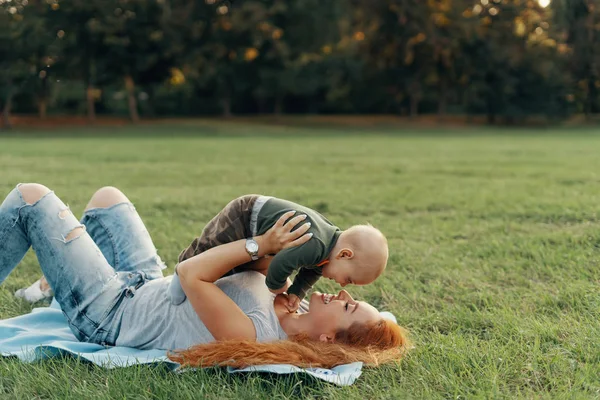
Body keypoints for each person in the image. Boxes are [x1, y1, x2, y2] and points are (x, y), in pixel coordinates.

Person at [0, 184, 407, 368]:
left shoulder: (255, 333)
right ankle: (59, 281)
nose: (340, 294)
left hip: (110, 314)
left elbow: (192, 273)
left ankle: (71, 289)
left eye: (349, 306)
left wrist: (262, 245)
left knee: (30, 198)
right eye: (350, 295)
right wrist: (278, 253)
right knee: (109, 198)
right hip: (147, 286)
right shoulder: (290, 300)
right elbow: (262, 270)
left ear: (327, 338)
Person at [173, 195, 389, 312]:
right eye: (349, 279)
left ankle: (212, 277)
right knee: (212, 246)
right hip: (246, 215)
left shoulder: (326, 253)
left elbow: (310, 273)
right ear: (344, 254)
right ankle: (183, 267)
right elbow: (280, 266)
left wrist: (296, 292)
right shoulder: (314, 245)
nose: (342, 285)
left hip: (258, 230)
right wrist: (278, 289)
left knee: (232, 262)